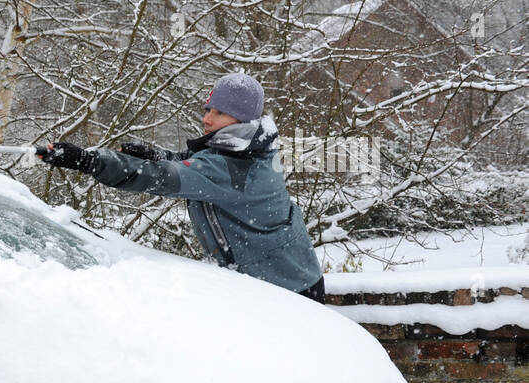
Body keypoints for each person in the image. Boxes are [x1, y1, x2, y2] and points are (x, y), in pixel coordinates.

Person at [35, 72, 326, 303]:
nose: (207, 118)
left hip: (288, 291)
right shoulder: (250, 149)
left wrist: (87, 160)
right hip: (291, 278)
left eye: (220, 112)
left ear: (242, 119)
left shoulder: (237, 167)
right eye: (208, 108)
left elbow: (160, 177)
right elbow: (199, 166)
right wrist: (160, 156)